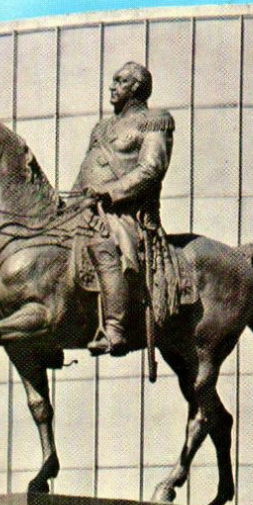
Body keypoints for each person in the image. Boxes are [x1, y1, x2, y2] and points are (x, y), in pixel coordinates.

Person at [73, 62, 175, 356]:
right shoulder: (102, 128)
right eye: (113, 81)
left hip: (126, 212)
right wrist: (70, 204)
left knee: (105, 242)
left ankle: (114, 329)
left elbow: (151, 167)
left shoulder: (155, 120)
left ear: (135, 88)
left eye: (120, 81)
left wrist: (111, 192)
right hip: (90, 207)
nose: (112, 86)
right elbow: (85, 171)